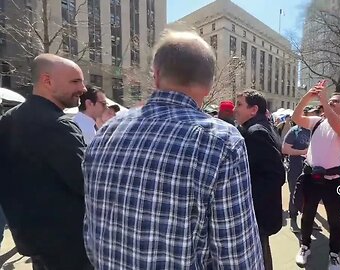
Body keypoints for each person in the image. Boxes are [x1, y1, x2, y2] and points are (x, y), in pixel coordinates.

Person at [83, 30, 263, 269]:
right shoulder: (222, 141)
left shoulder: (105, 132)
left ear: (156, 75)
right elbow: (237, 253)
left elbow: (91, 231)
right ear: (208, 86)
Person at [0, 53, 91, 270]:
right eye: (75, 81)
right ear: (47, 81)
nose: (83, 88)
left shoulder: (8, 120)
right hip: (70, 247)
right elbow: (87, 183)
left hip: (31, 241)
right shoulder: (59, 125)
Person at [292, 80, 340, 269]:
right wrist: (307, 97)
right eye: (330, 101)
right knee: (307, 215)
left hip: (333, 182)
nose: (332, 103)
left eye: (336, 102)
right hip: (311, 177)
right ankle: (305, 246)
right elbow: (296, 117)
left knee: (335, 221)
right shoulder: (316, 122)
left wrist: (325, 102)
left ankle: (334, 254)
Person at [234, 90, 285, 270]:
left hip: (258, 214)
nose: (235, 109)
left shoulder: (256, 133)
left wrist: (248, 202)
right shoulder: (261, 127)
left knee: (259, 257)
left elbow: (276, 175)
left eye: (239, 104)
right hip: (263, 213)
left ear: (253, 109)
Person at [282, 106, 315, 233]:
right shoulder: (295, 131)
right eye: (311, 115)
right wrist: (304, 152)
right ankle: (293, 220)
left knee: (310, 196)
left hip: (312, 170)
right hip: (296, 168)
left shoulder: (315, 131)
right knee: (295, 194)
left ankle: (308, 221)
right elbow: (285, 149)